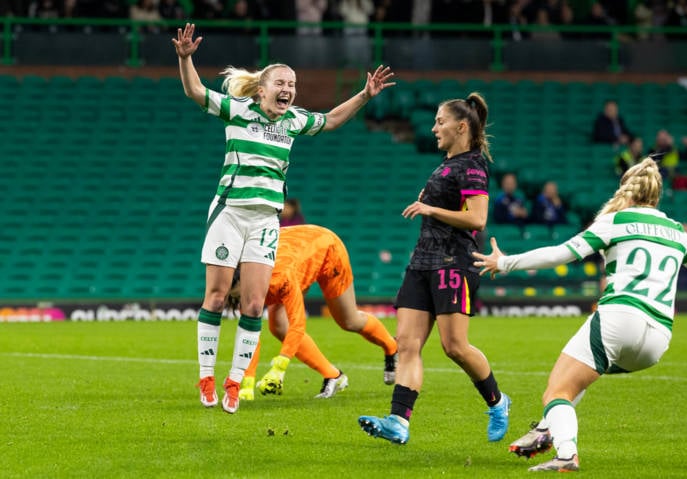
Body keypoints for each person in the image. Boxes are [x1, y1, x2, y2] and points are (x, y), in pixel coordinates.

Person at [472, 157, 687, 472]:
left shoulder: (616, 221)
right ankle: (546, 428)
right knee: (581, 374)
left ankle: (566, 454)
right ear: (657, 195)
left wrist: (504, 263)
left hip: (619, 318)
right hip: (657, 341)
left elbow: (562, 253)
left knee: (557, 391)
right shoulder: (677, 231)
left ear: (627, 189)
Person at [172, 23, 395, 414]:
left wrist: (363, 95)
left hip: (265, 221)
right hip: (230, 213)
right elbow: (194, 92)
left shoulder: (293, 120)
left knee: (255, 305)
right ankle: (206, 378)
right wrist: (185, 58)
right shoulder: (238, 110)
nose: (288, 88)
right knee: (217, 295)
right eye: (281, 82)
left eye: (292, 83)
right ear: (262, 89)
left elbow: (330, 120)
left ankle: (233, 383)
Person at [358, 92, 511, 445]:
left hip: (454, 262)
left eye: (440, 122)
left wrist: (430, 210)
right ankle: (398, 421)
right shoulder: (446, 163)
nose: (433, 128)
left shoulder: (472, 165)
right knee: (406, 344)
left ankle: (498, 401)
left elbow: (477, 218)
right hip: (422, 262)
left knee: (454, 346)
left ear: (461, 126)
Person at [224, 225, 399, 400]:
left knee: (349, 321)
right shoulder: (242, 281)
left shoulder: (280, 277)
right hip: (298, 256)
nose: (243, 298)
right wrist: (247, 383)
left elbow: (298, 324)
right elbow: (250, 335)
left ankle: (392, 347)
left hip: (327, 249)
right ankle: (333, 375)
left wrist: (279, 368)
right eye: (238, 296)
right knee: (278, 326)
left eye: (242, 292)